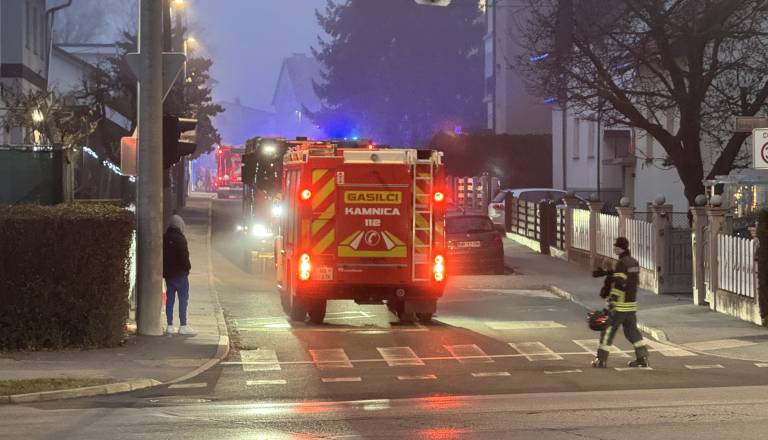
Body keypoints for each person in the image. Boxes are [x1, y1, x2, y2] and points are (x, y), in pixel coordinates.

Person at [590, 236, 649, 368]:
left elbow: (619, 285)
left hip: (619, 306)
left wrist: (610, 304)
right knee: (632, 332)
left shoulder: (621, 263)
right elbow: (629, 280)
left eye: (615, 246)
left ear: (619, 248)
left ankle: (601, 360)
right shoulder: (633, 262)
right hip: (631, 304)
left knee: (608, 331)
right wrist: (607, 273)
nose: (613, 248)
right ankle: (642, 358)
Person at [163, 214, 194, 335]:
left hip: (169, 275)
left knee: (169, 299)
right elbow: (184, 257)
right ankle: (183, 325)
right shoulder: (181, 239)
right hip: (180, 274)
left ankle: (169, 325)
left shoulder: (165, 237)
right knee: (183, 299)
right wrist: (188, 268)